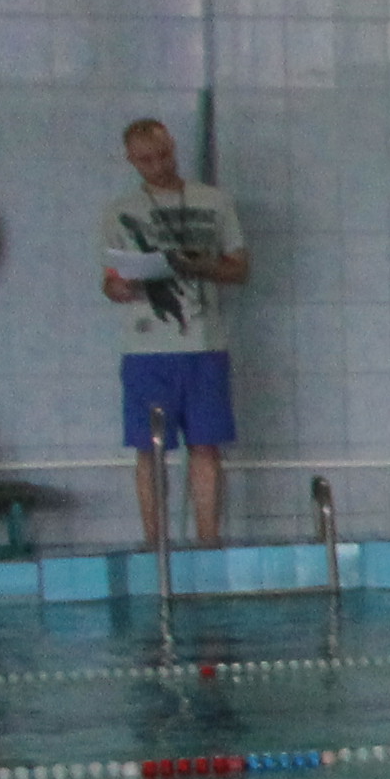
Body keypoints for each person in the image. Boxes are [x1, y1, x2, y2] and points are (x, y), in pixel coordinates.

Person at [99, 116, 248, 551]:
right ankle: (154, 543)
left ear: (174, 149)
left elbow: (240, 268)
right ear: (130, 160)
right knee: (150, 450)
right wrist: (124, 286)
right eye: (145, 160)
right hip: (147, 348)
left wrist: (198, 265)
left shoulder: (214, 202)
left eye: (163, 155)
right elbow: (110, 282)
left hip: (204, 345)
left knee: (206, 446)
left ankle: (208, 540)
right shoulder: (120, 211)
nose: (157, 166)